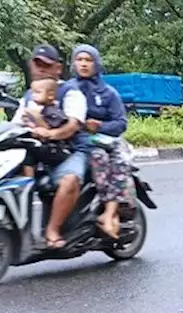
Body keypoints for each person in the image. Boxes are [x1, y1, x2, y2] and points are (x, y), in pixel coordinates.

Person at [13, 45, 88, 249]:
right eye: (37, 64)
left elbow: (72, 125)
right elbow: (14, 125)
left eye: (46, 65)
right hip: (38, 153)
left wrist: (52, 134)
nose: (41, 69)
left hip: (69, 151)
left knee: (70, 180)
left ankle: (52, 231)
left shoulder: (70, 93)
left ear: (58, 68)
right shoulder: (28, 96)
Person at [63, 44, 130, 239]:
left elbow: (120, 123)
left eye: (88, 60)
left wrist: (99, 126)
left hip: (101, 144)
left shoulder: (108, 93)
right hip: (72, 143)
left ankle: (109, 214)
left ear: (96, 64)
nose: (83, 64)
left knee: (105, 159)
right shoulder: (67, 89)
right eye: (80, 60)